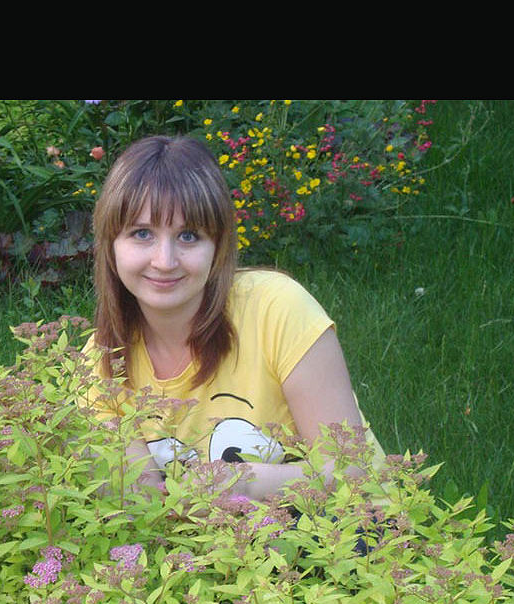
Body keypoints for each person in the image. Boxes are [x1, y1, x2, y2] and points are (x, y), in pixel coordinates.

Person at [83, 134, 383, 502]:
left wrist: (243, 483)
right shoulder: (101, 362)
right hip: (211, 537)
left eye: (188, 236)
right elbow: (140, 502)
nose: (165, 260)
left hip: (354, 525)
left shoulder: (277, 309)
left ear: (218, 246)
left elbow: (350, 470)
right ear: (110, 245)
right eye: (142, 233)